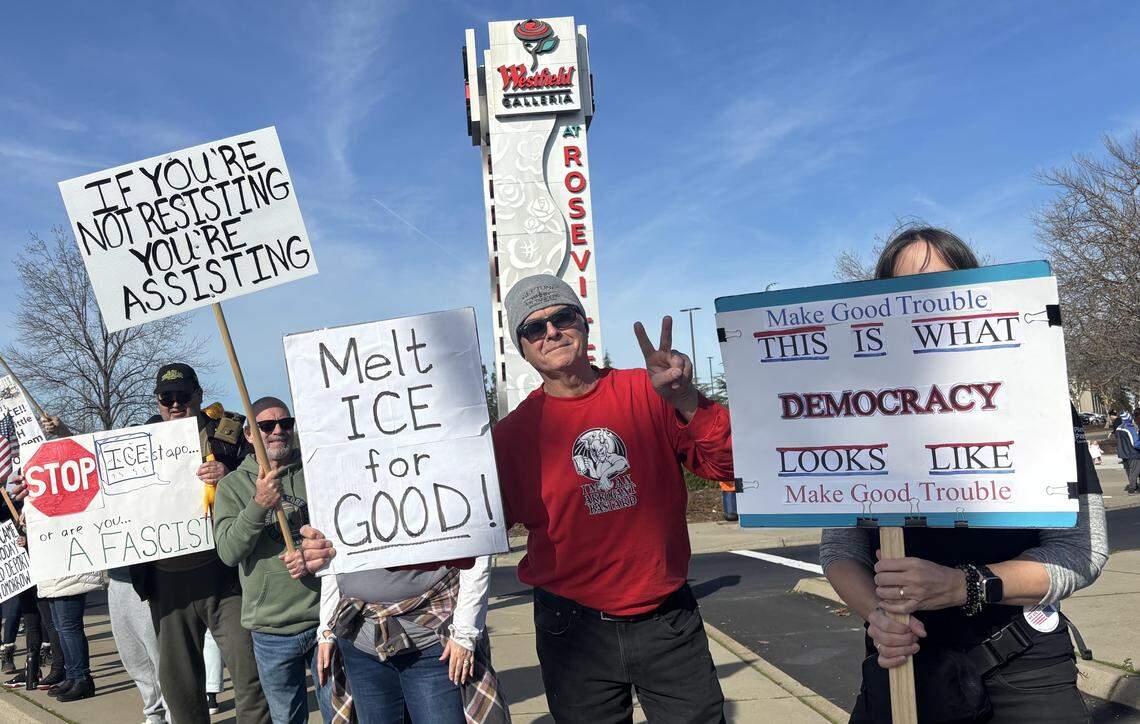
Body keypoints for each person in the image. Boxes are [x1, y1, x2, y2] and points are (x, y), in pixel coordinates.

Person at [820, 226, 1109, 723]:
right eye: (901, 291)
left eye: (939, 288)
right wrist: (877, 615)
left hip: (1024, 665)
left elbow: (1082, 551)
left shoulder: (1036, 401)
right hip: (904, 663)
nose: (921, 307)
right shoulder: (852, 414)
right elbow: (840, 549)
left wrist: (963, 586)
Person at [497, 274, 734, 721]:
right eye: (534, 328)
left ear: (582, 324)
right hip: (572, 631)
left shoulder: (650, 391)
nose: (551, 332)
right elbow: (470, 531)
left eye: (562, 317)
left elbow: (727, 467)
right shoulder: (510, 437)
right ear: (523, 346)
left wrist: (686, 398)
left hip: (666, 620)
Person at [134, 363, 269, 724]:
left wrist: (230, 476)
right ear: (158, 401)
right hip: (167, 582)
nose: (175, 405)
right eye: (167, 398)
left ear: (199, 396)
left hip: (223, 576)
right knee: (179, 686)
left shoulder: (229, 435)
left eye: (183, 397)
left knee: (250, 674)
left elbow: (262, 474)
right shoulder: (136, 442)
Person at [213, 396, 333, 723]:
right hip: (271, 630)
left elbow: (343, 535)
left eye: (285, 423)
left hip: (326, 621)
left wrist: (319, 552)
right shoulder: (232, 486)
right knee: (287, 719)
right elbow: (228, 551)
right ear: (250, 435)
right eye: (266, 425)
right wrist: (258, 503)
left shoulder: (317, 474)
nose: (277, 430)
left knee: (340, 715)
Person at [1119, 410, 1140, 494]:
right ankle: (1132, 488)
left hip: (1123, 453)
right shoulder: (1130, 429)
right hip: (1132, 453)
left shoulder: (1119, 428)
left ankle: (1132, 485)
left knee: (1129, 471)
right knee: (1135, 471)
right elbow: (1135, 443)